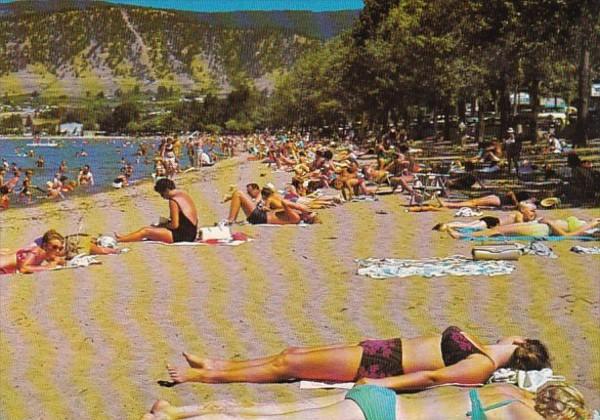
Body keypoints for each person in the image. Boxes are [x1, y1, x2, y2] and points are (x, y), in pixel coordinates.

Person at [164, 327, 550, 389]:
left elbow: (432, 378)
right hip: (383, 349)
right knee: (291, 354)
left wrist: (380, 384)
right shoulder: (484, 347)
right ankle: (218, 365)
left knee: (290, 366)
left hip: (381, 366)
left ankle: (206, 378)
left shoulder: (483, 365)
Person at [143, 382, 591, 420]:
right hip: (379, 414)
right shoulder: (520, 412)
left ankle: (177, 410)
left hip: (378, 398)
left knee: (273, 411)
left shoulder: (510, 391)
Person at [116, 178, 198, 243]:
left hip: (183, 236)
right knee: (151, 229)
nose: (162, 197)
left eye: (162, 194)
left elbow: (174, 225)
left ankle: (120, 240)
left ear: (166, 190)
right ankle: (123, 237)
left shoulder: (173, 200)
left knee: (146, 231)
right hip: (192, 232)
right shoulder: (183, 194)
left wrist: (162, 225)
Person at [446, 216, 600, 239]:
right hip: (541, 224)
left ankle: (462, 236)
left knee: (500, 231)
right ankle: (463, 232)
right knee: (501, 229)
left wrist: (551, 224)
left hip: (544, 229)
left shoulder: (593, 229)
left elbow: (568, 236)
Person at [0, 230, 66, 275]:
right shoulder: (36, 251)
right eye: (54, 247)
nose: (57, 250)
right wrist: (47, 267)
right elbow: (23, 268)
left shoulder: (45, 254)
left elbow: (56, 260)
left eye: (60, 248)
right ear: (45, 245)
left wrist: (60, 261)